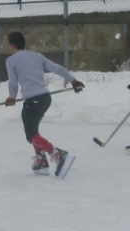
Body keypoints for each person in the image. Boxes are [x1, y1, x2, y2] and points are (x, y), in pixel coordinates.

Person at [5, 31, 84, 179]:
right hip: (45, 98)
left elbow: (13, 83)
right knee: (34, 129)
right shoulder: (37, 56)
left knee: (31, 135)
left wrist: (11, 97)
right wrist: (73, 81)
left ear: (12, 45)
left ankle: (58, 154)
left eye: (9, 45)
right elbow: (58, 68)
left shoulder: (11, 60)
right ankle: (41, 161)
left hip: (32, 101)